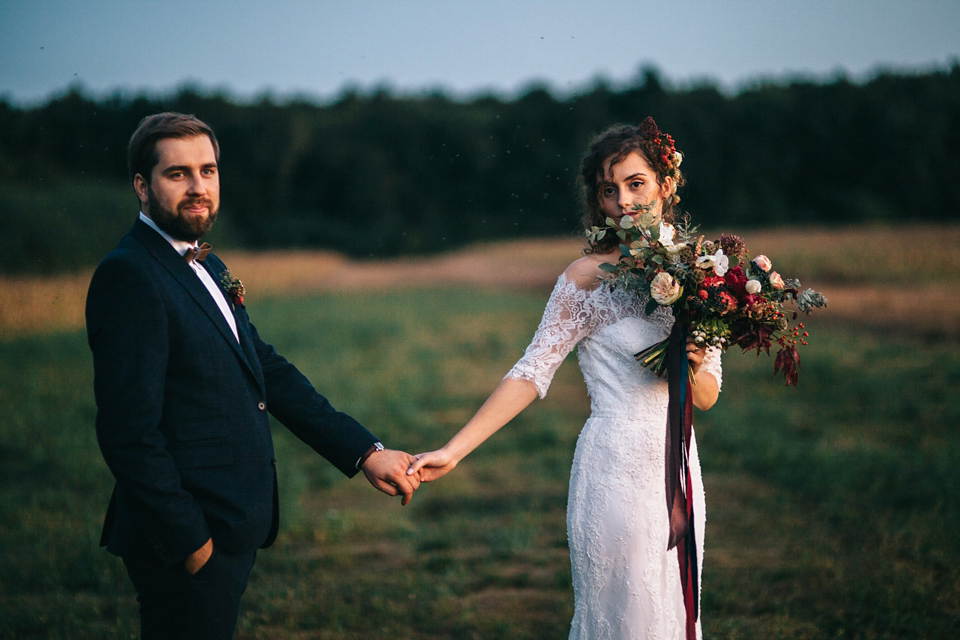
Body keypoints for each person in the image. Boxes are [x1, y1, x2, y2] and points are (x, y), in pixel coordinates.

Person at [85, 112, 420, 640]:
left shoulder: (207, 265)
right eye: (178, 174)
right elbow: (128, 432)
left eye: (208, 171)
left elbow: (263, 366)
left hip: (232, 519)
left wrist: (364, 452)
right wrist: (190, 541)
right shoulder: (130, 274)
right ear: (141, 186)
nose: (199, 188)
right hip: (189, 533)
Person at [408, 118, 721, 639]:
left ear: (666, 184)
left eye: (635, 183)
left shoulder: (703, 277)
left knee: (671, 615)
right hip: (613, 470)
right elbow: (532, 371)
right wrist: (455, 450)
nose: (622, 200)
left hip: (679, 470)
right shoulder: (585, 279)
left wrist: (690, 360)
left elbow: (707, 394)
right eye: (609, 189)